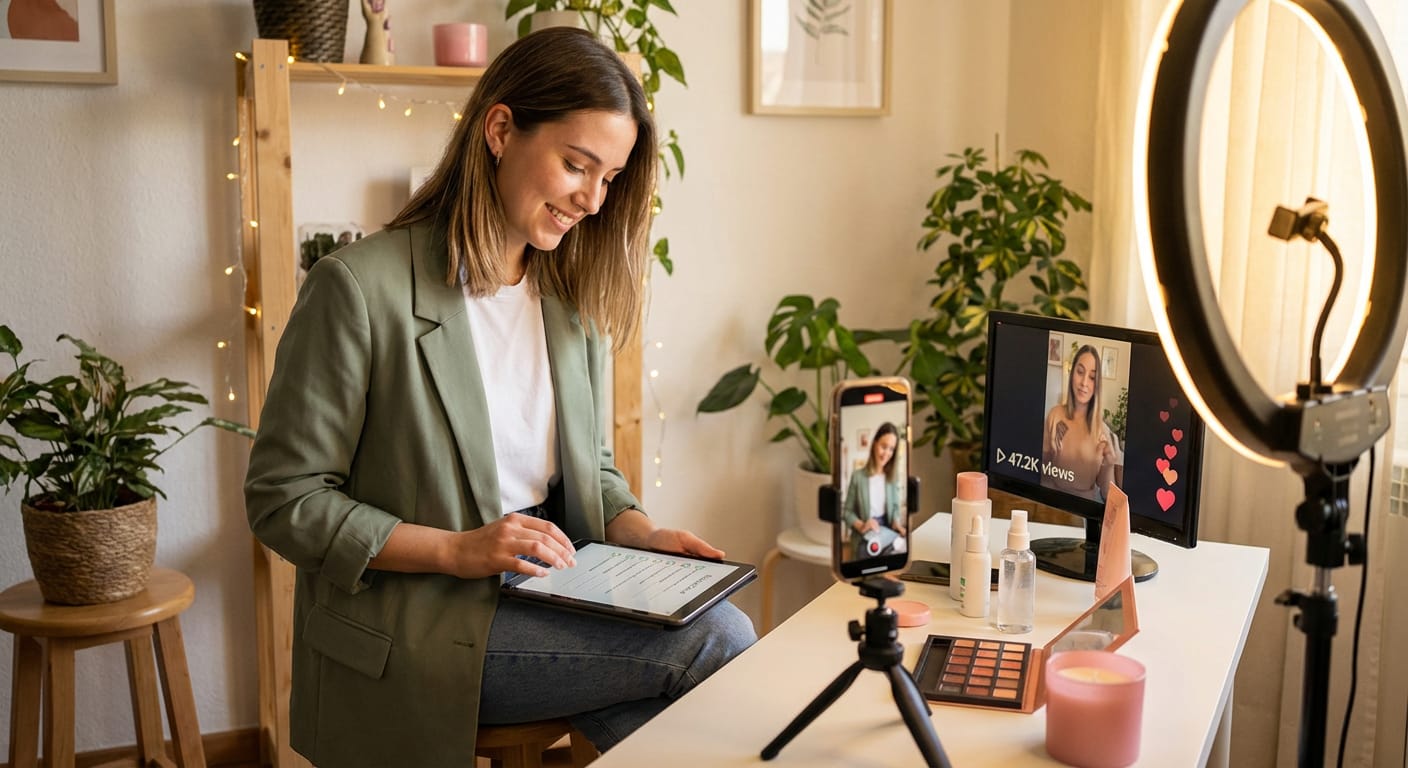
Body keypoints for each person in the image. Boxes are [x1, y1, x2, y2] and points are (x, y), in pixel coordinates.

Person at [244, 28, 755, 768]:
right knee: (720, 644)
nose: (591, 198)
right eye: (577, 165)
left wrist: (640, 531)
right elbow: (283, 500)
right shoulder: (359, 288)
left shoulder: (566, 297)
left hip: (554, 585)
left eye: (609, 178)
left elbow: (592, 468)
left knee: (701, 653)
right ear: (500, 128)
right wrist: (458, 550)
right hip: (417, 614)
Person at [1041, 344, 1123, 500]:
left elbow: (1106, 494)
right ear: (1072, 374)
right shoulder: (1054, 415)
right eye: (1080, 372)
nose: (1084, 382)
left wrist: (1109, 465)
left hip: (1084, 511)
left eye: (1092, 377)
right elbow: (1039, 472)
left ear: (1097, 384)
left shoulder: (1103, 432)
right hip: (1053, 502)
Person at [840, 421, 906, 560]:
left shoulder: (892, 478)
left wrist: (896, 522)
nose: (886, 453)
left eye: (891, 449)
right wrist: (862, 525)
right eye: (883, 446)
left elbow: (895, 507)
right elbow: (846, 512)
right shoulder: (858, 477)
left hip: (887, 530)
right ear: (875, 443)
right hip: (865, 533)